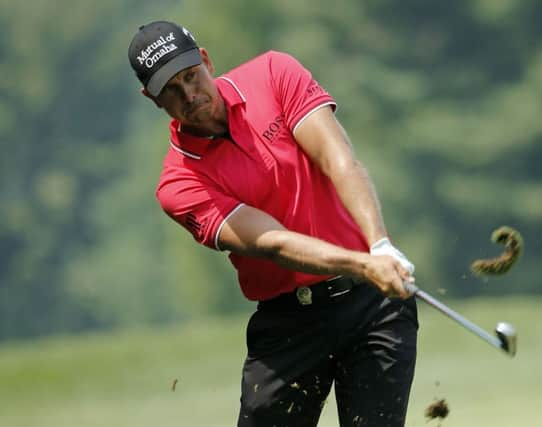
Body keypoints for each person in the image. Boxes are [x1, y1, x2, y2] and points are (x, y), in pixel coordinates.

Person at [128, 20, 419, 427]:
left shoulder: (273, 73)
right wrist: (364, 263)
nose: (189, 95)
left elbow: (340, 160)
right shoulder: (178, 184)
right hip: (290, 326)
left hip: (372, 305)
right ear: (151, 98)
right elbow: (275, 243)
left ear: (206, 61)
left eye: (192, 77)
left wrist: (380, 245)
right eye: (171, 91)